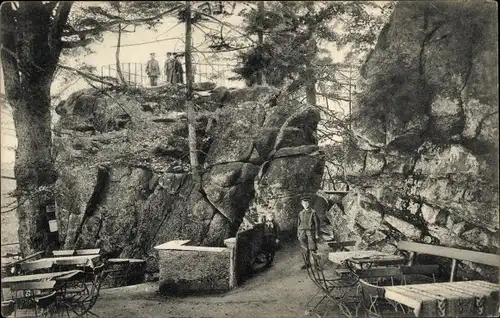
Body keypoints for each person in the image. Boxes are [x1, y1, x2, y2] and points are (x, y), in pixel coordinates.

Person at [297, 195, 320, 270]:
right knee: (305, 248)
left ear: (309, 203)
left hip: (310, 232)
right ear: (302, 204)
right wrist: (298, 234)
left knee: (313, 248)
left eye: (306, 203)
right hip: (302, 233)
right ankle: (307, 263)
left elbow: (317, 224)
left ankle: (316, 265)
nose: (305, 204)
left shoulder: (313, 212)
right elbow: (298, 224)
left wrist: (316, 234)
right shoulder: (300, 213)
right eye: (304, 203)